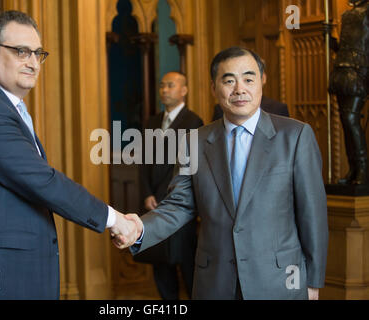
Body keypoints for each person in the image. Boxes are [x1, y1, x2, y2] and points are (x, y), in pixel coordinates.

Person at [0, 10, 140, 300]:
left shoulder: (5, 107)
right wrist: (114, 219)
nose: (33, 63)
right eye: (21, 51)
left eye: (37, 53)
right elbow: (42, 181)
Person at [116, 47, 328, 300]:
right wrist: (139, 228)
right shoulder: (194, 141)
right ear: (214, 88)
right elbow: (179, 205)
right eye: (229, 80)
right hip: (215, 282)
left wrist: (313, 281)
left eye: (248, 79)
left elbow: (312, 213)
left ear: (261, 82)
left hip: (279, 282)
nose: (239, 89)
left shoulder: (295, 136)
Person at [138, 71, 203, 300]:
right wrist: (147, 193)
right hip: (153, 204)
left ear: (184, 90)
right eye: (162, 85)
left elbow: (188, 166)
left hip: (179, 204)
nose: (164, 90)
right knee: (160, 263)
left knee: (186, 262)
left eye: (170, 85)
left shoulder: (193, 121)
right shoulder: (152, 121)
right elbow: (143, 161)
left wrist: (168, 195)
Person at [327, 0, 369, 185]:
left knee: (351, 119)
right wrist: (329, 39)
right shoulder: (347, 15)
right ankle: (353, 168)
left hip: (360, 70)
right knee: (345, 120)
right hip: (342, 70)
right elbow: (344, 48)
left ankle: (362, 168)